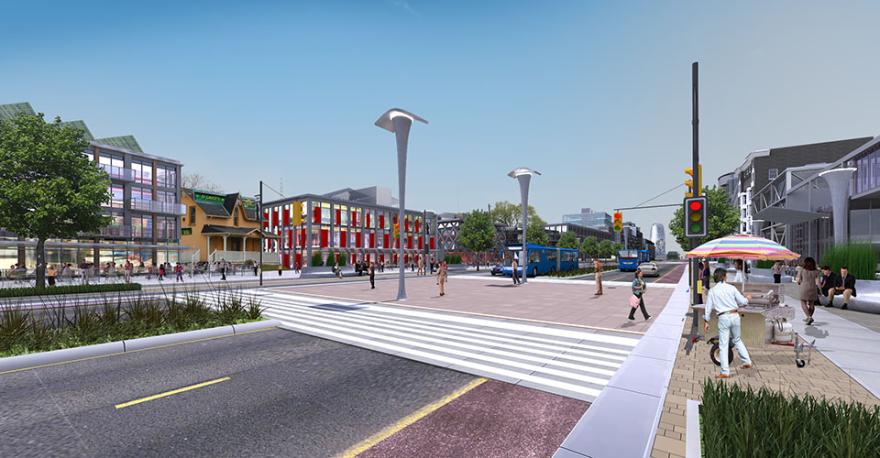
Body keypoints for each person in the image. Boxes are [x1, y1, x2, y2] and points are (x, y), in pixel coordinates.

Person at [703, 267, 753, 379]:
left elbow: (708, 308)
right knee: (737, 339)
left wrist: (706, 321)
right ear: (724, 277)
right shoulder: (732, 288)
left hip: (724, 317)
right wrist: (748, 298)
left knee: (724, 344)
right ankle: (747, 361)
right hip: (735, 315)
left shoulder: (712, 291)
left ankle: (725, 372)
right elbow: (743, 302)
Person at [795, 257, 819, 325]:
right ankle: (809, 317)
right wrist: (820, 290)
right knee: (811, 303)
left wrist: (799, 282)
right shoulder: (816, 271)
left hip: (804, 288)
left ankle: (809, 317)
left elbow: (798, 280)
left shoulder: (802, 270)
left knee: (803, 302)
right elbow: (818, 282)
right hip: (813, 288)